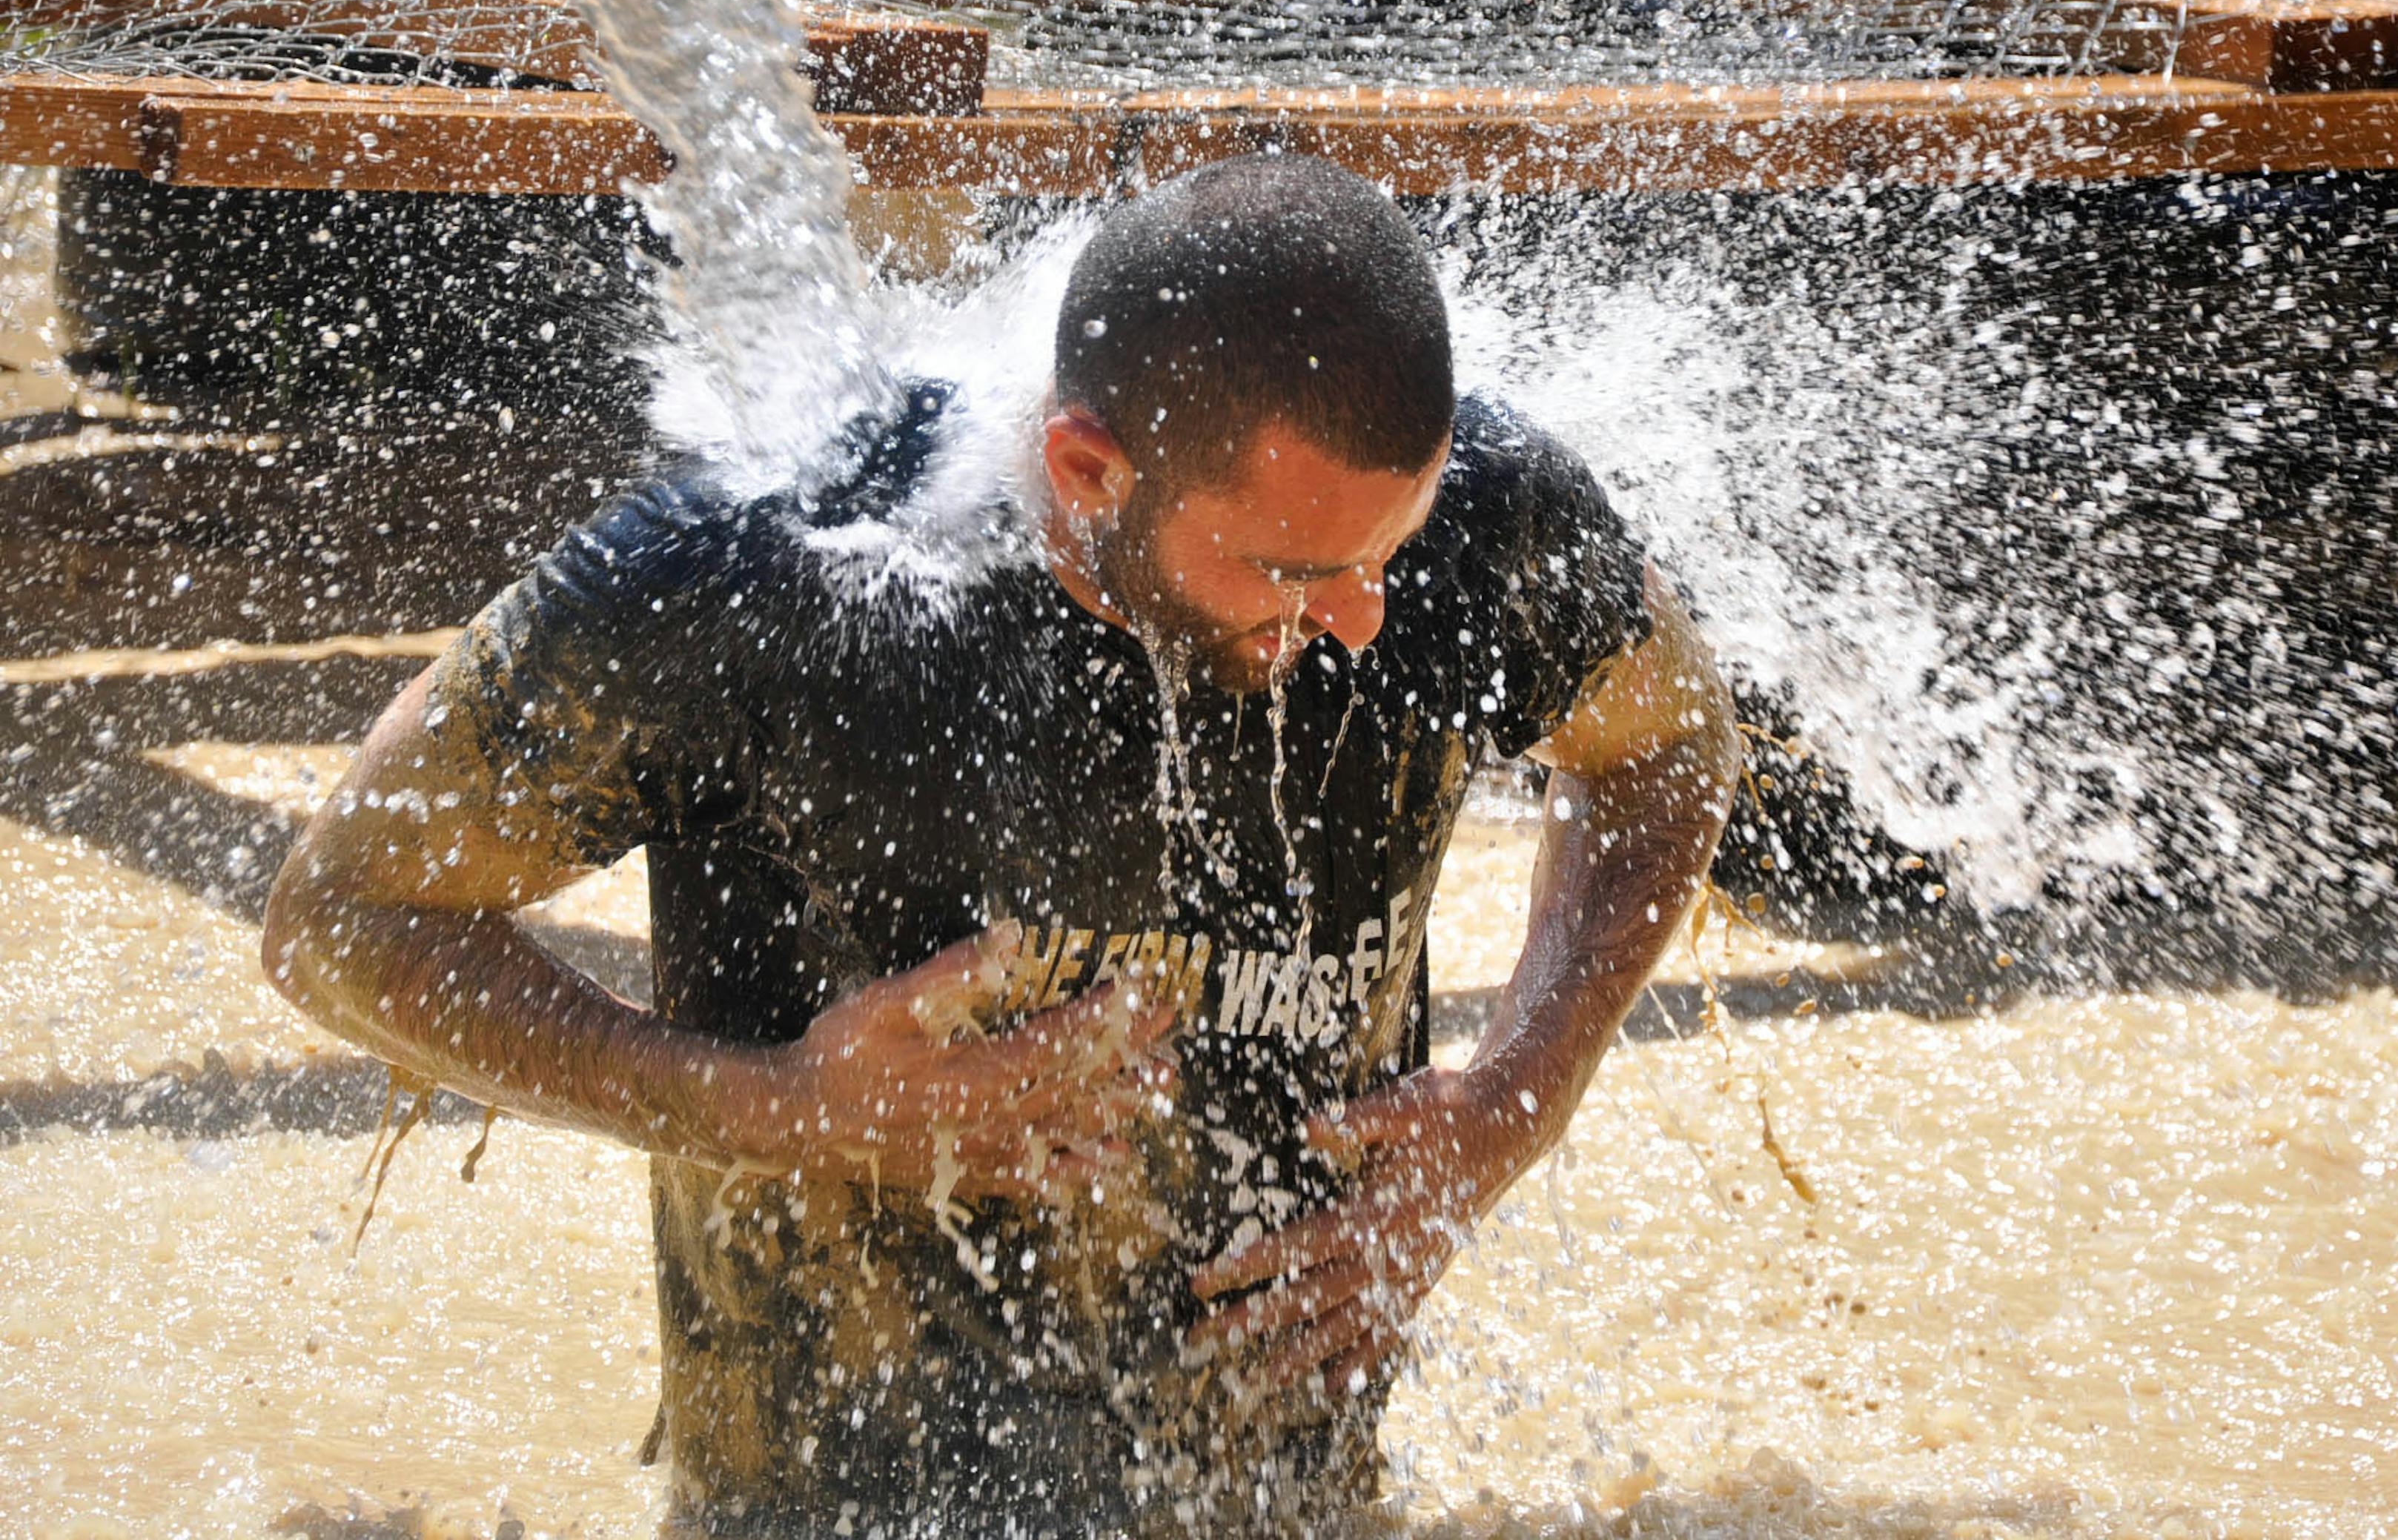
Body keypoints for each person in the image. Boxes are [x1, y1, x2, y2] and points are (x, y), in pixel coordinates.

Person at [262, 153, 1739, 1536]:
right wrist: (768, 1108)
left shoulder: (1476, 527)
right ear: (1088, 471)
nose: (1358, 614)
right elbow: (337, 919)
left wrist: (1515, 1102)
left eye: (1386, 552)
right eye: (1298, 570)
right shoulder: (772, 570)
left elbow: (1668, 747)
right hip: (830, 1493)